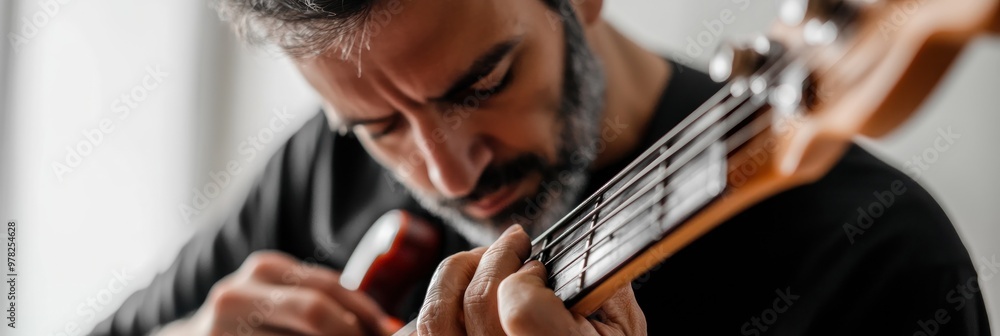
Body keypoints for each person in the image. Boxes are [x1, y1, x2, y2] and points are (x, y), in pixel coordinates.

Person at [92, 0, 992, 335]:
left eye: (483, 81)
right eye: (377, 127)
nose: (445, 173)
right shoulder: (313, 174)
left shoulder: (873, 257)